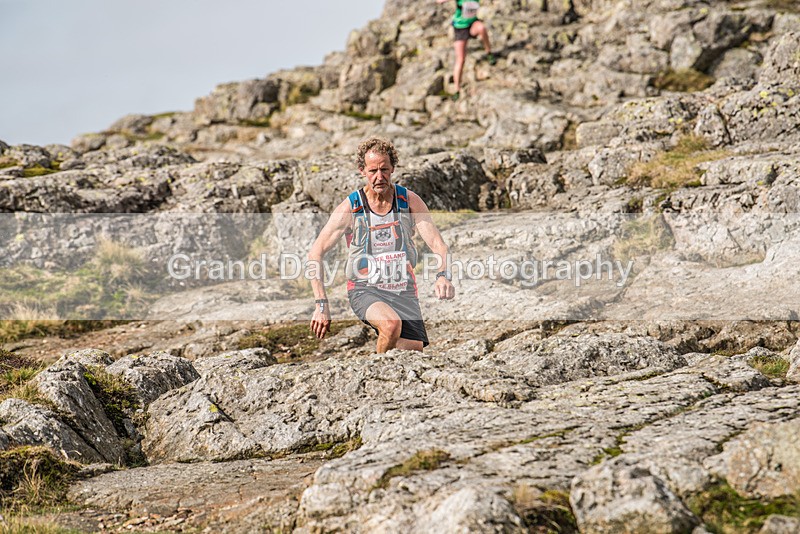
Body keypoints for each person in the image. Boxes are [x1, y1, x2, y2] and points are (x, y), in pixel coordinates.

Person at [308, 138, 455, 353]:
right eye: (373, 171)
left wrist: (443, 275)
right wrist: (321, 304)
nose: (379, 177)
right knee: (391, 324)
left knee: (410, 356)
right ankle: (376, 371)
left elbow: (438, 244)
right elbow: (315, 253)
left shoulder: (408, 201)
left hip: (403, 289)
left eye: (384, 169)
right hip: (365, 289)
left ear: (393, 168)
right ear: (362, 171)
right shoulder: (352, 207)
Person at [437, 0, 496, 101]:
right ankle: (457, 88)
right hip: (460, 28)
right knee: (460, 59)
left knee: (482, 28)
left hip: (472, 24)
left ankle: (488, 52)